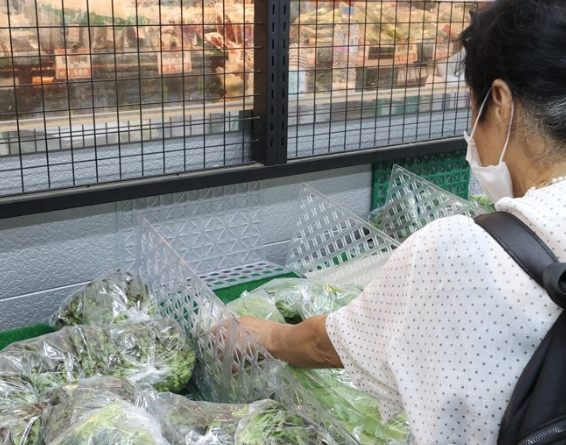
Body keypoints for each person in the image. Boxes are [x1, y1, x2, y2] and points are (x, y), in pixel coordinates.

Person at [238, 0, 566, 443]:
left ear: (501, 102)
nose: (471, 129)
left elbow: (330, 343)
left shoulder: (462, 252)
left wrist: (264, 335)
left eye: (474, 106)